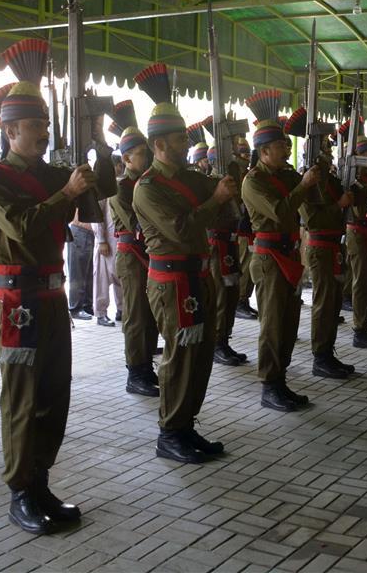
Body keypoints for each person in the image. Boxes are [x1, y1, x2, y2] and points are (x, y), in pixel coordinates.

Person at [0, 38, 117, 534]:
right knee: (22, 399)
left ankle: (41, 480)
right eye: (36, 125)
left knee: (55, 393)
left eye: (46, 124)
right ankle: (20, 491)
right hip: (18, 301)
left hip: (53, 297)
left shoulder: (52, 172)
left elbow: (102, 197)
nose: (44, 132)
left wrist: (97, 143)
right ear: (11, 130)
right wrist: (68, 190)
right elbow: (24, 225)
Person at [132, 62, 236, 463]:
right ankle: (169, 431)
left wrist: (230, 169)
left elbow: (223, 192)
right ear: (159, 144)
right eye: (178, 138)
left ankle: (187, 423)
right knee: (178, 356)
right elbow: (180, 228)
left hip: (197, 275)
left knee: (200, 353)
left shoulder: (190, 177)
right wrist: (216, 200)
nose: (185, 142)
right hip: (171, 281)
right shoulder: (148, 187)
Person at [241, 89, 320, 411]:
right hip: (269, 257)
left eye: (286, 144)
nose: (286, 148)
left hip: (287, 253)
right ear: (263, 152)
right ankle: (269, 384)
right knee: (272, 324)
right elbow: (283, 212)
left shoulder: (286, 175)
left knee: (288, 322)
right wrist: (303, 186)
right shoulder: (254, 181)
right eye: (279, 146)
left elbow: (308, 206)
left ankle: (281, 379)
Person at [285, 107, 356, 379]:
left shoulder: (329, 179)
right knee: (324, 303)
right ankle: (320, 356)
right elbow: (312, 219)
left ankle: (328, 352)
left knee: (334, 302)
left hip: (333, 246)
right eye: (325, 145)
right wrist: (339, 205)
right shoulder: (308, 180)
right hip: (320, 246)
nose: (329, 148)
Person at [106, 103, 160, 397]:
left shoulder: (146, 182)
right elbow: (137, 223)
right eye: (142, 153)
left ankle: (146, 366)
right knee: (136, 315)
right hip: (132, 255)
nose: (149, 157)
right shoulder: (120, 188)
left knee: (150, 313)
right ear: (127, 158)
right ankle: (134, 371)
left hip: (149, 254)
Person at [201, 117, 250, 368]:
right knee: (220, 295)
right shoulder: (210, 182)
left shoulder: (235, 175)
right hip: (217, 243)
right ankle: (217, 343)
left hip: (230, 242)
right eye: (231, 142)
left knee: (230, 295)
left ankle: (224, 339)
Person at [343, 125, 367, 349]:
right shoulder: (352, 178)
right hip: (357, 231)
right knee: (361, 281)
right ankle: (359, 328)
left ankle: (364, 325)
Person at [234, 136, 259, 320]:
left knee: (249, 266)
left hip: (249, 228)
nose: (246, 156)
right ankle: (240, 301)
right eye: (242, 152)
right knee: (243, 264)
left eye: (247, 153)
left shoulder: (248, 173)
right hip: (241, 228)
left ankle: (245, 299)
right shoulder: (236, 174)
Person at [92, 197, 121, 327]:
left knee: (119, 274)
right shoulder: (101, 186)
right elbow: (96, 215)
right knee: (102, 278)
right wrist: (101, 240)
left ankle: (121, 309)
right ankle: (100, 313)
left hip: (119, 238)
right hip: (106, 240)